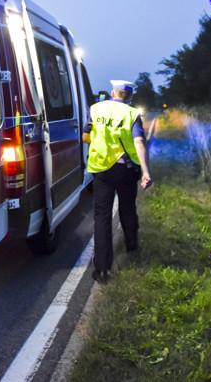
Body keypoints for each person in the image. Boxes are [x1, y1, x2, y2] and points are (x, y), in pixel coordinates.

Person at [83, 80, 152, 284]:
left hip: (101, 169)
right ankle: (131, 246)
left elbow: (86, 137)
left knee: (102, 217)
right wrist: (146, 171)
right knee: (127, 208)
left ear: (113, 92)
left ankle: (102, 270)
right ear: (129, 97)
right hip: (125, 169)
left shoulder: (95, 109)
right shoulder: (131, 114)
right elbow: (139, 141)